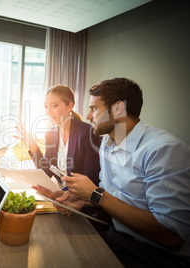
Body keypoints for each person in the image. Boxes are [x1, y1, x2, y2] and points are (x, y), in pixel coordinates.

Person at [35, 78, 190, 267]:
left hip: (153, 253)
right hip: (116, 236)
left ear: (118, 109)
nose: (88, 115)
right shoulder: (107, 145)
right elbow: (108, 194)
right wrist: (82, 198)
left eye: (94, 109)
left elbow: (172, 236)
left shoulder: (163, 149)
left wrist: (95, 195)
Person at [14, 85, 101, 185]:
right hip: (61, 194)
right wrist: (34, 148)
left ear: (69, 106)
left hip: (81, 197)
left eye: (54, 105)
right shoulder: (50, 135)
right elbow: (46, 173)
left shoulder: (88, 133)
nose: (48, 112)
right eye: (46, 106)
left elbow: (91, 179)